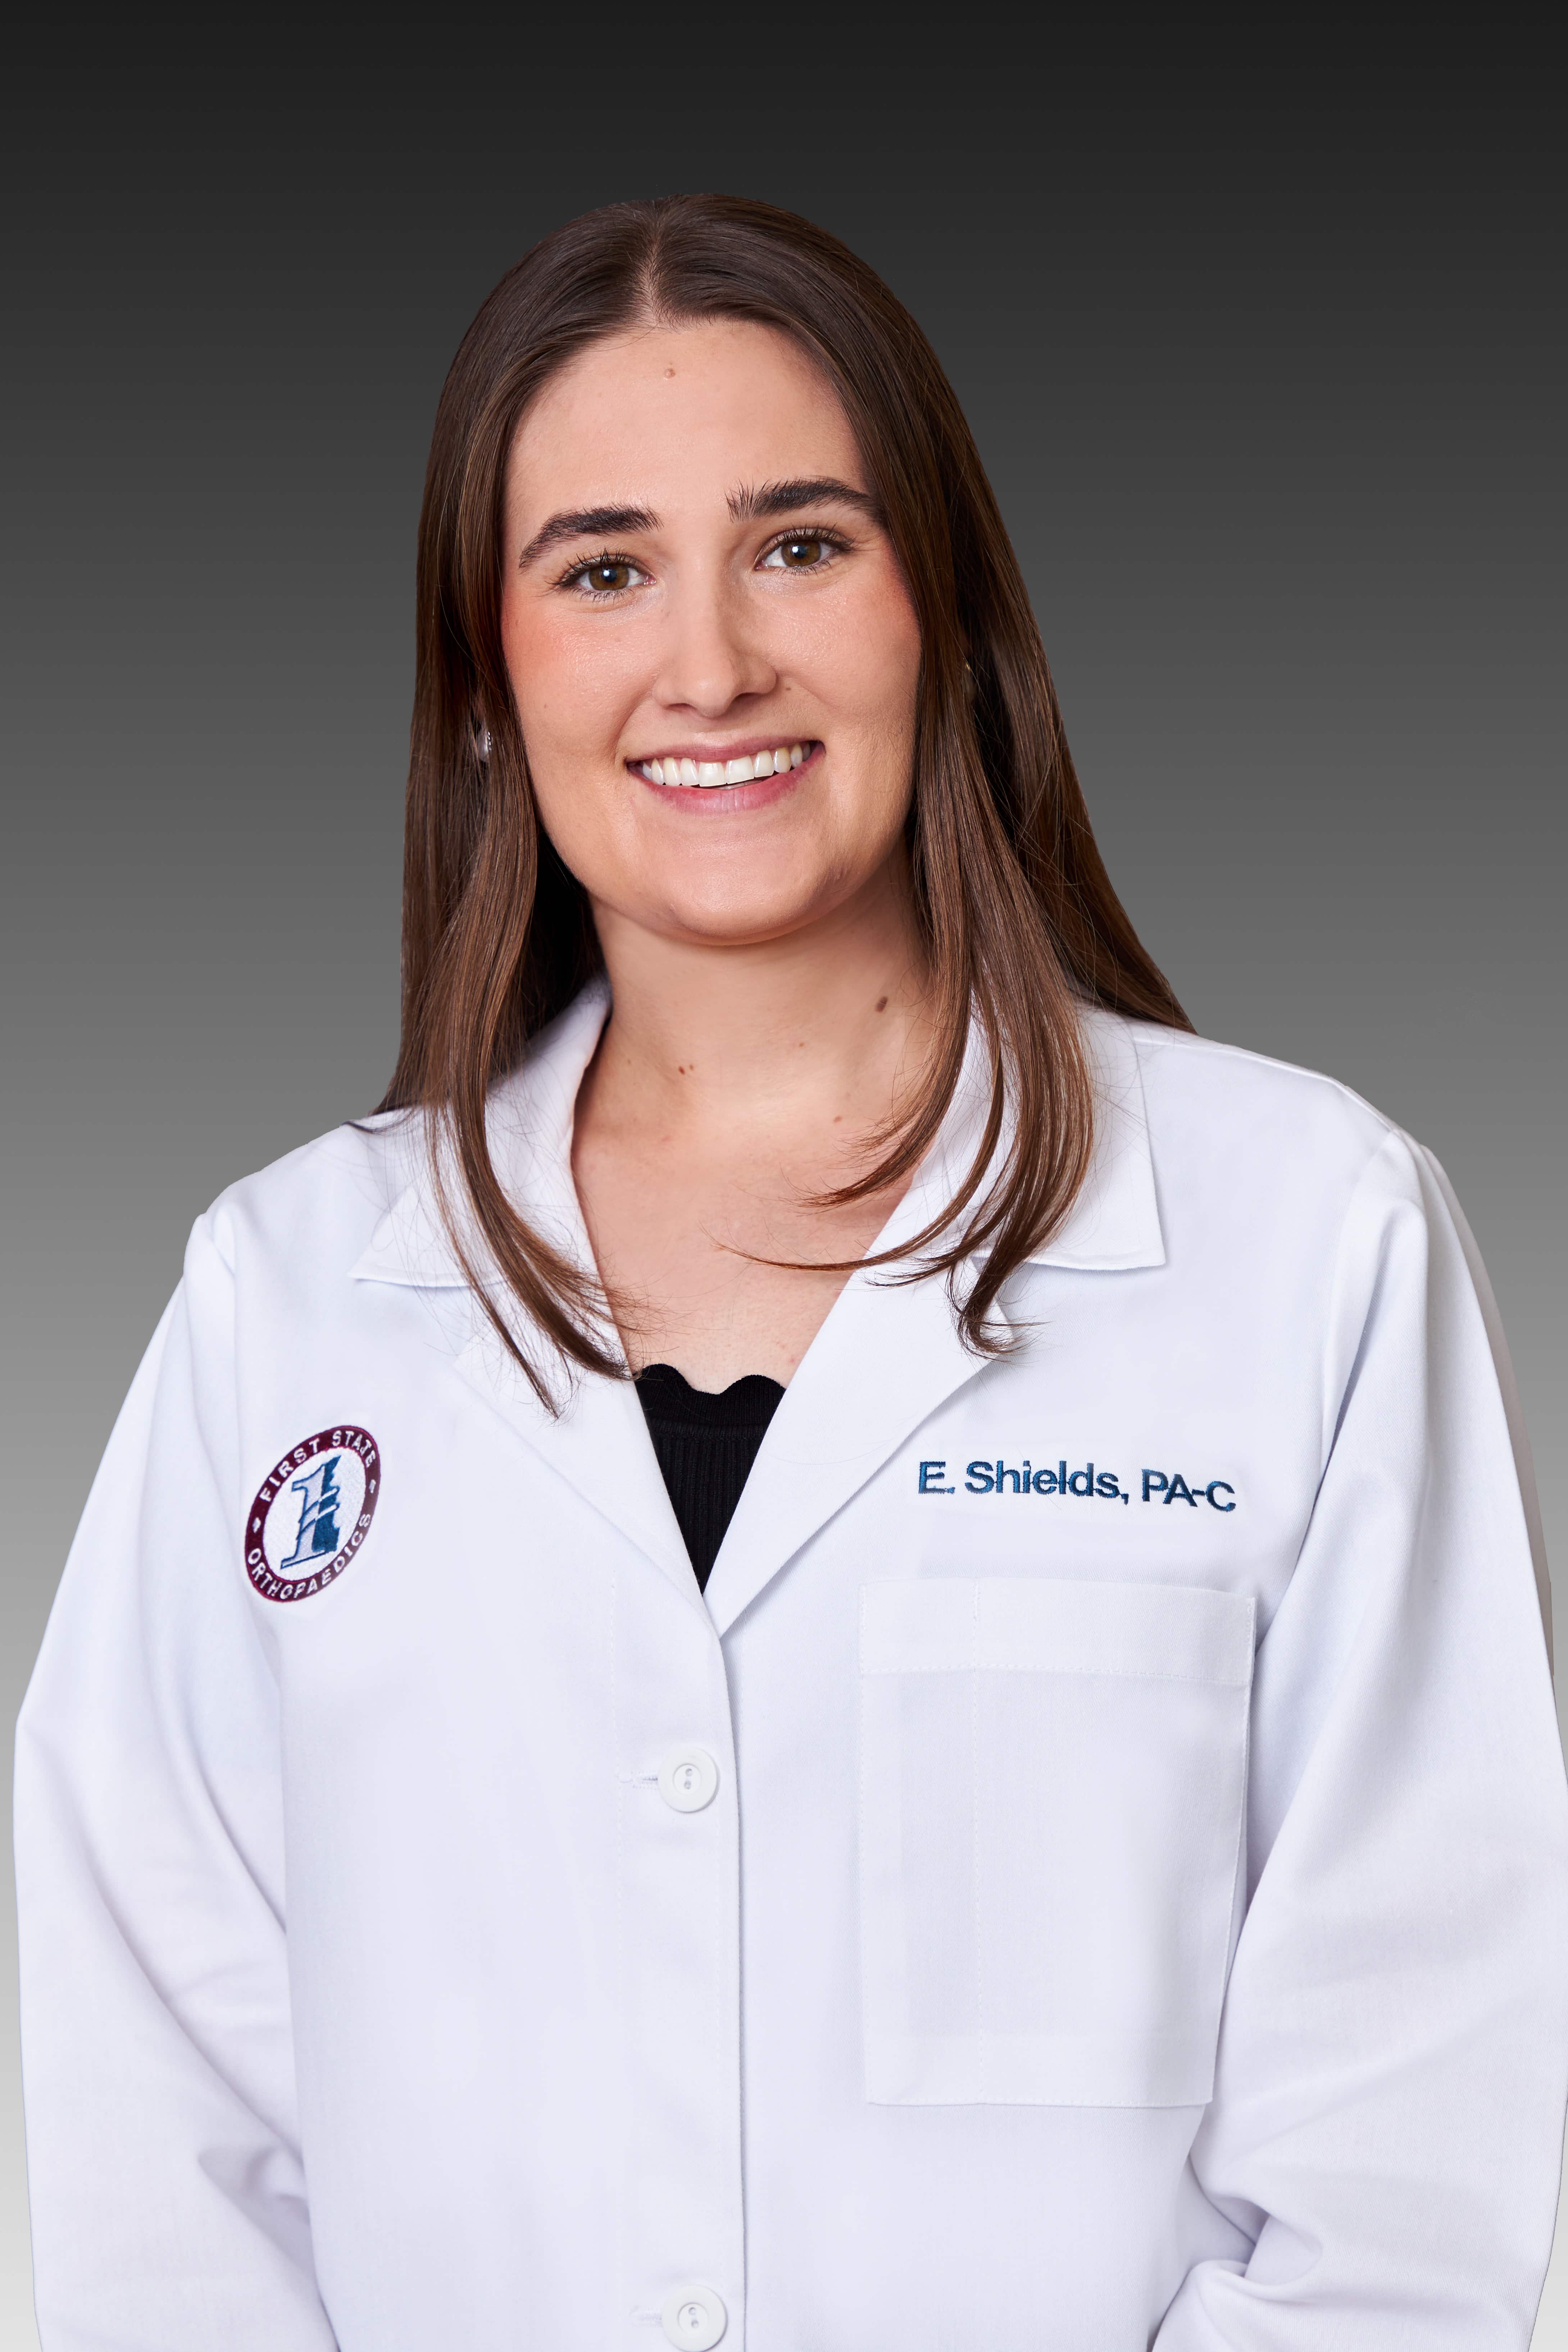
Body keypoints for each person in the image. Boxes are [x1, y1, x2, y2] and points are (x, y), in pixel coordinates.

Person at [14, 193, 1568, 2352]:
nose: (710, 665)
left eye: (801, 545)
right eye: (603, 570)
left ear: (949, 615)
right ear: (486, 683)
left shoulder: (1307, 1240)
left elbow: (1413, 2134)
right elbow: (155, 2130)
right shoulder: (281, 1303)